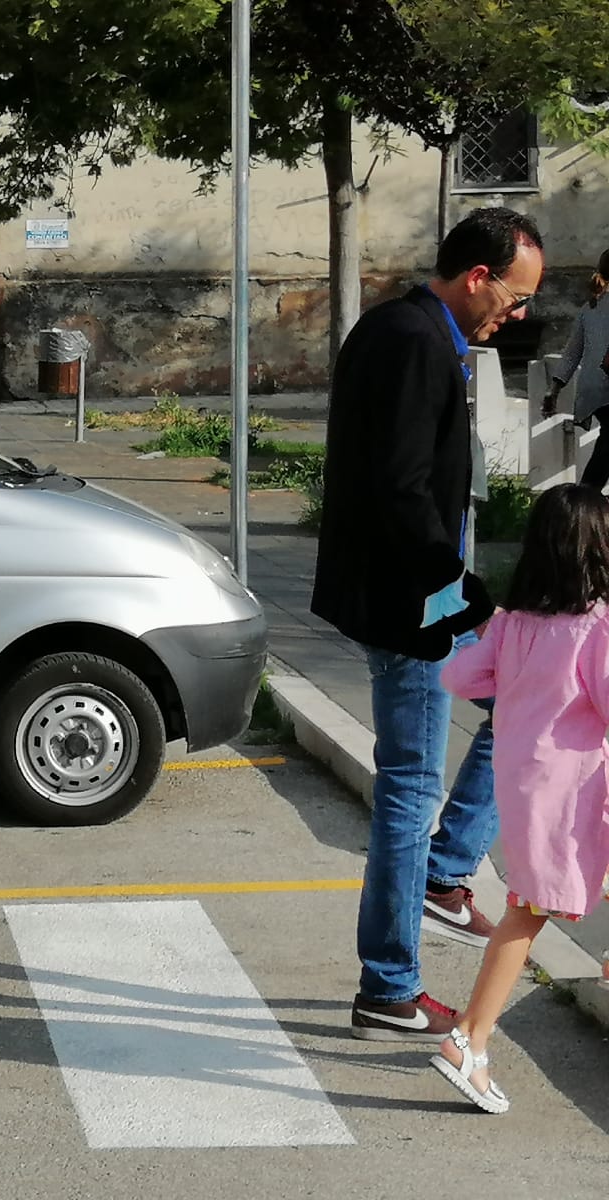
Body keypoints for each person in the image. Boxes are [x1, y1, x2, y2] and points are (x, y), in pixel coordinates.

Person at [311, 206, 545, 1040]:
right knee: (409, 789)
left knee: (524, 700)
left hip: (409, 593)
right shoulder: (412, 340)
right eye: (514, 298)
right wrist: (467, 595)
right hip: (410, 604)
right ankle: (388, 986)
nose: (515, 315)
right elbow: (401, 491)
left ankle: (445, 875)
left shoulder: (406, 329)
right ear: (478, 276)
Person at [432, 484, 609, 1113]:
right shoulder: (595, 626)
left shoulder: (512, 623)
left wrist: (513, 680)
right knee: (530, 910)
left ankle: (471, 1038)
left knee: (533, 903)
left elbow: (459, 675)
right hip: (574, 787)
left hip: (523, 780)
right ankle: (468, 1037)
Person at [542, 249, 609, 490]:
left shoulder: (589, 308)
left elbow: (572, 352)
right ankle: (585, 496)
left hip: (593, 390)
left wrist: (554, 390)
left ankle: (586, 496)